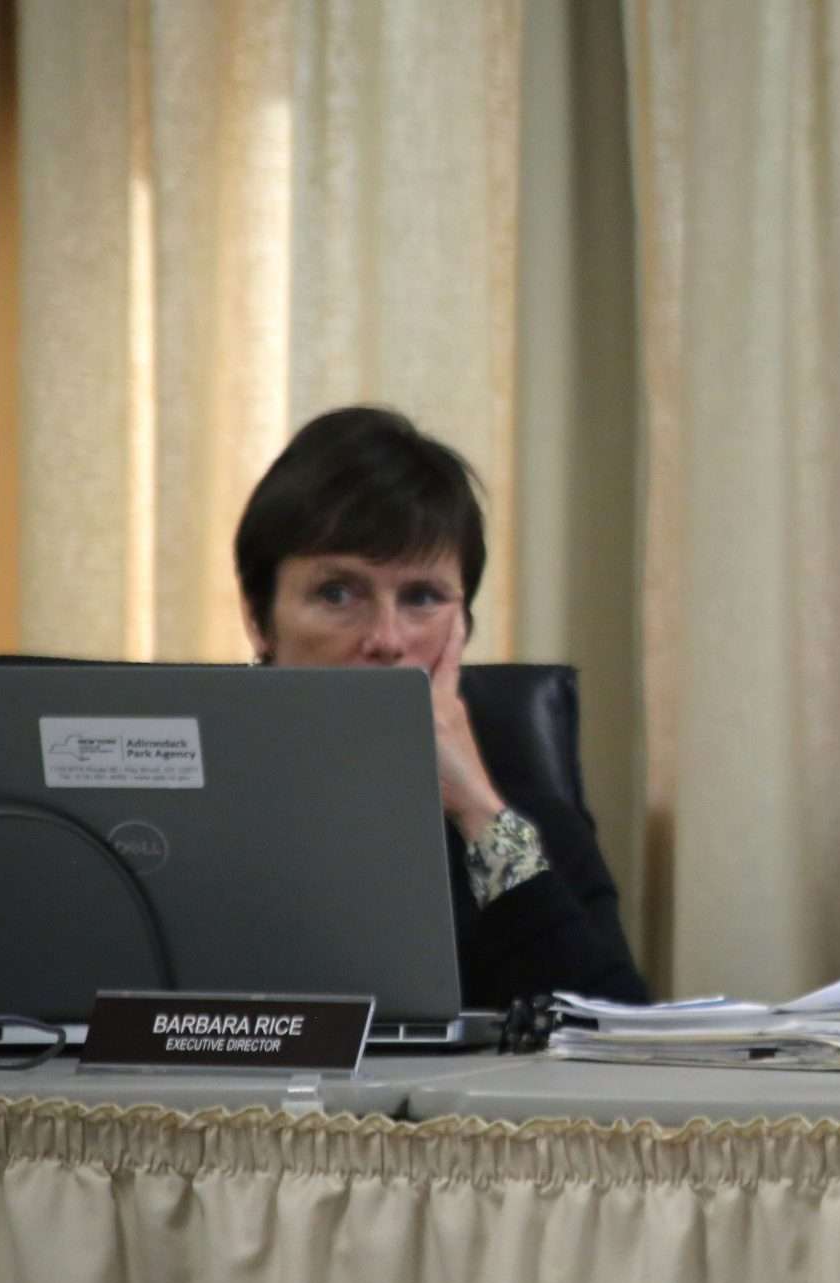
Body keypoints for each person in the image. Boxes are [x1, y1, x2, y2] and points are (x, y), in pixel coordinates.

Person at [235, 406, 648, 1006]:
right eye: (336, 592)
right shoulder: (183, 800)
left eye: (422, 597)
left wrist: (478, 813)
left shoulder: (525, 815)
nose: (386, 638)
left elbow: (619, 1048)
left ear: (464, 625)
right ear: (259, 618)